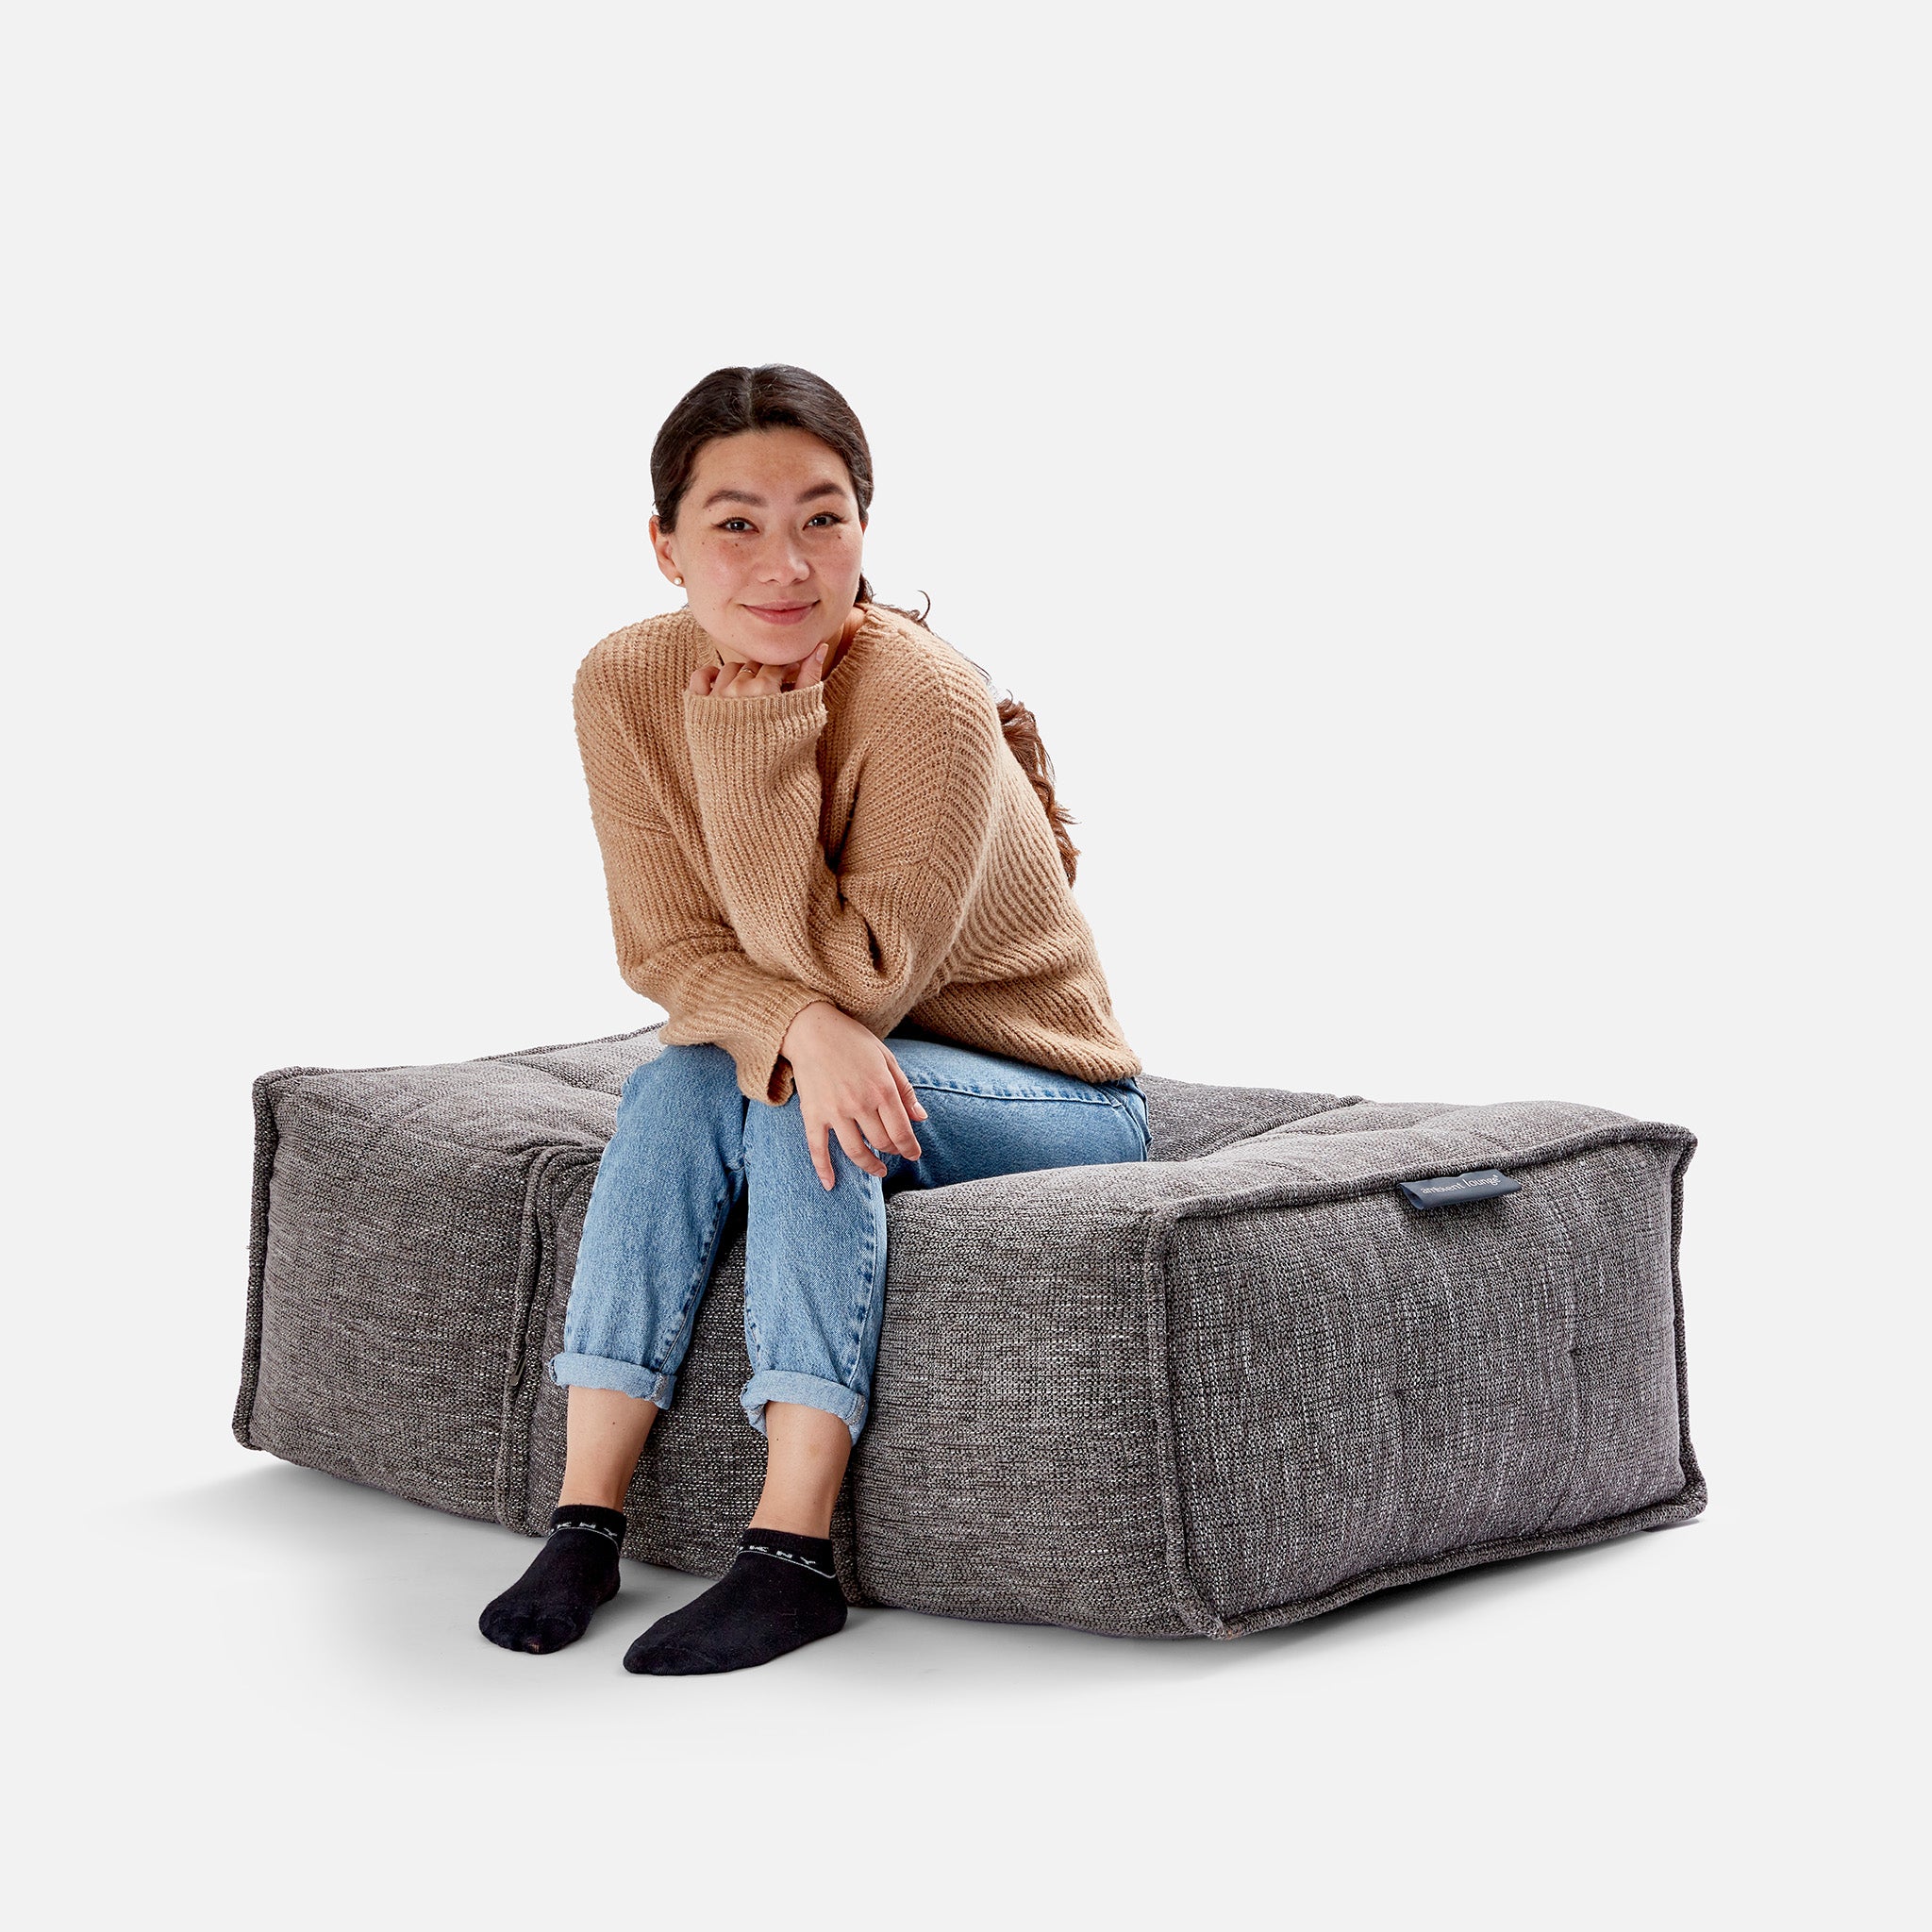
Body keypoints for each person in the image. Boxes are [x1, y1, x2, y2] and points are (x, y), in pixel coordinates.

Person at [479, 364, 1144, 1674]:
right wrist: (808, 1028)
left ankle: (790, 1552)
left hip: (1047, 1090)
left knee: (801, 1101)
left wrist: (759, 754)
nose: (785, 564)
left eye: (822, 519)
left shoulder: (923, 699)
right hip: (847, 1041)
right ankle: (585, 1520)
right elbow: (666, 948)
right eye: (735, 523)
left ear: (863, 529)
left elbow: (865, 980)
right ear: (664, 544)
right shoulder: (623, 680)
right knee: (679, 1082)